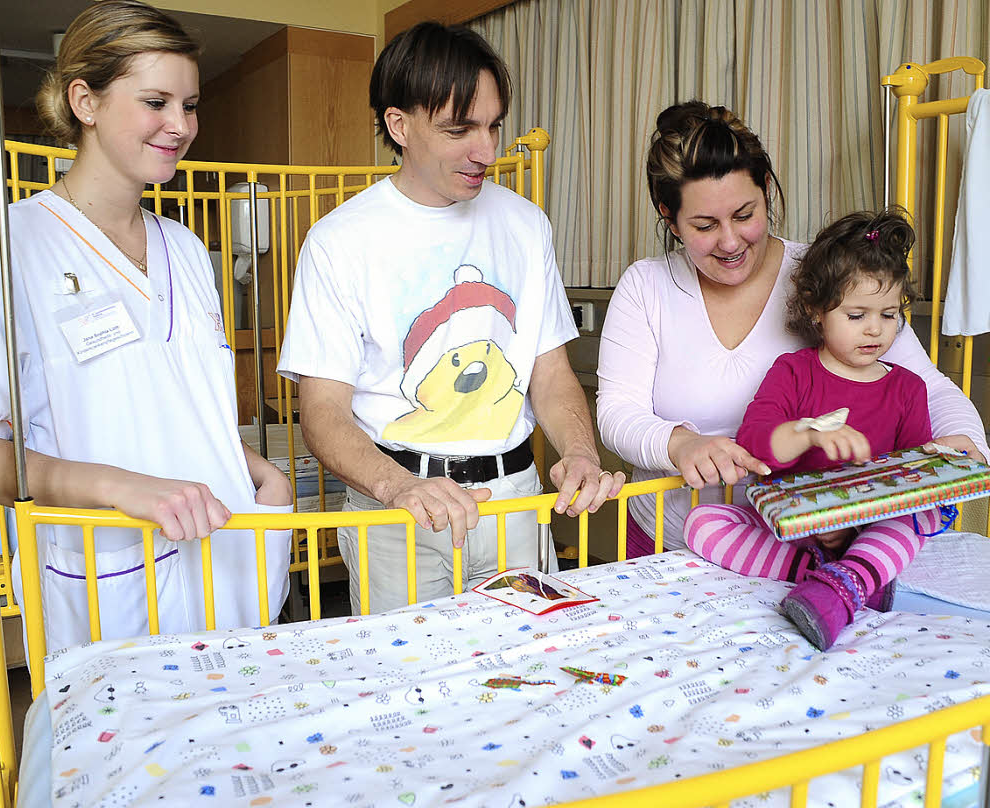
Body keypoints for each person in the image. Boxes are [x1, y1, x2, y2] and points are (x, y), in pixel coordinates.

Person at [0, 0, 293, 655]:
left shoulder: (184, 249)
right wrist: (119, 487)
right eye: (156, 102)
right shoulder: (3, 247)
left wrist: (261, 472)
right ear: (85, 102)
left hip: (228, 555)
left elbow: (180, 401)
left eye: (191, 105)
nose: (180, 125)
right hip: (109, 580)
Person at [278, 21, 623, 614]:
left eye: (492, 126)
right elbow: (323, 413)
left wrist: (581, 452)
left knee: (530, 669)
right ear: (399, 125)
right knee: (407, 682)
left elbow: (549, 371)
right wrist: (400, 487)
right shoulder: (340, 241)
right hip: (395, 505)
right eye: (459, 129)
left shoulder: (524, 224)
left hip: (513, 498)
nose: (486, 151)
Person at [597, 101, 988, 555]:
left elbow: (927, 388)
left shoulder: (828, 275)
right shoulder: (647, 286)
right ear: (670, 218)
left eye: (745, 215)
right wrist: (679, 443)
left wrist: (965, 443)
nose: (729, 242)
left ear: (766, 189)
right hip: (669, 538)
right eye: (705, 225)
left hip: (804, 544)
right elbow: (617, 414)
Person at [683, 209, 940, 650]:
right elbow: (755, 443)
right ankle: (833, 579)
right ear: (816, 310)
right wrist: (809, 434)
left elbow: (912, 478)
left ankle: (850, 575)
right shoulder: (794, 372)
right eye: (857, 315)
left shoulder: (907, 388)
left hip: (870, 530)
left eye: (889, 314)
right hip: (796, 532)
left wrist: (862, 518)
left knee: (922, 515)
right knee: (702, 522)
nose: (875, 329)